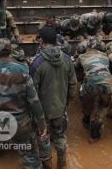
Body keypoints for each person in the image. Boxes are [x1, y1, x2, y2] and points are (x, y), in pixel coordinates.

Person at [0, 38, 47, 168]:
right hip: (21, 123)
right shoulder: (23, 71)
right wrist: (42, 123)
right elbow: (34, 101)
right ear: (10, 53)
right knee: (29, 157)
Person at [30, 27, 76, 169]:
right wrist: (67, 102)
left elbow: (32, 92)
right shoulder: (67, 59)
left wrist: (34, 112)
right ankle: (62, 164)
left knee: (43, 138)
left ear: (41, 41)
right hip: (60, 108)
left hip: (42, 112)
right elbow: (73, 84)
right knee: (60, 136)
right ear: (56, 41)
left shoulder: (37, 63)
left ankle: (47, 166)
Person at [74, 37, 112, 143]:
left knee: (86, 100)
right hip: (108, 83)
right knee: (103, 107)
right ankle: (94, 134)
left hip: (91, 84)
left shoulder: (82, 56)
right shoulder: (105, 55)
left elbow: (75, 67)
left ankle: (86, 119)